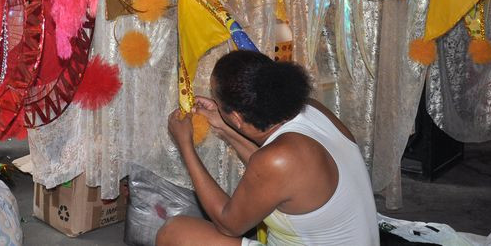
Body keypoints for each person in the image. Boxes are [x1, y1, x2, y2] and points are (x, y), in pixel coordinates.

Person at [158, 50, 379, 246]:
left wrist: (185, 145)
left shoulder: (279, 159)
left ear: (236, 117)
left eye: (216, 97)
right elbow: (276, 175)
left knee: (174, 232)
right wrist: (223, 126)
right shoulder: (313, 110)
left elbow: (229, 224)